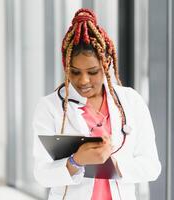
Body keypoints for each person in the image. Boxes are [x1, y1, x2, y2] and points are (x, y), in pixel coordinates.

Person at [33, 8, 161, 200]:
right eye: (75, 72)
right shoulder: (49, 107)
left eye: (92, 72)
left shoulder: (131, 101)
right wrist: (76, 162)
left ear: (107, 63)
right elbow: (41, 174)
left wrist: (114, 165)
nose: (84, 80)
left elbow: (152, 167)